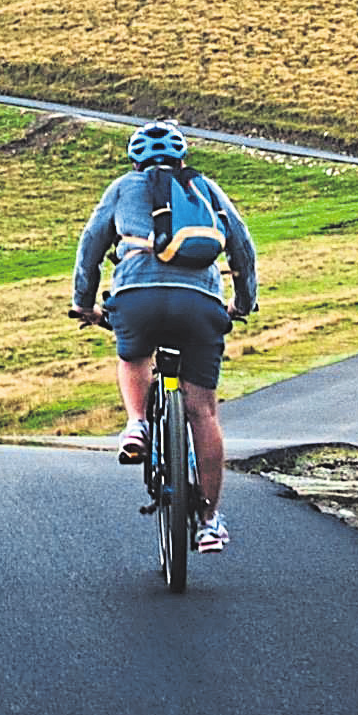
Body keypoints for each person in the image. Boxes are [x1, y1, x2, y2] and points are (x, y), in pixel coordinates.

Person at [70, 121, 257, 554]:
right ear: (182, 158)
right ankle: (209, 521)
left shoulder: (123, 188)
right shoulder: (206, 189)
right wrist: (242, 305)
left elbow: (91, 246)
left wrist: (84, 303)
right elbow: (242, 247)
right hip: (201, 303)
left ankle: (137, 424)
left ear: (135, 160)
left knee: (133, 355)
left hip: (138, 297)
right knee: (203, 412)